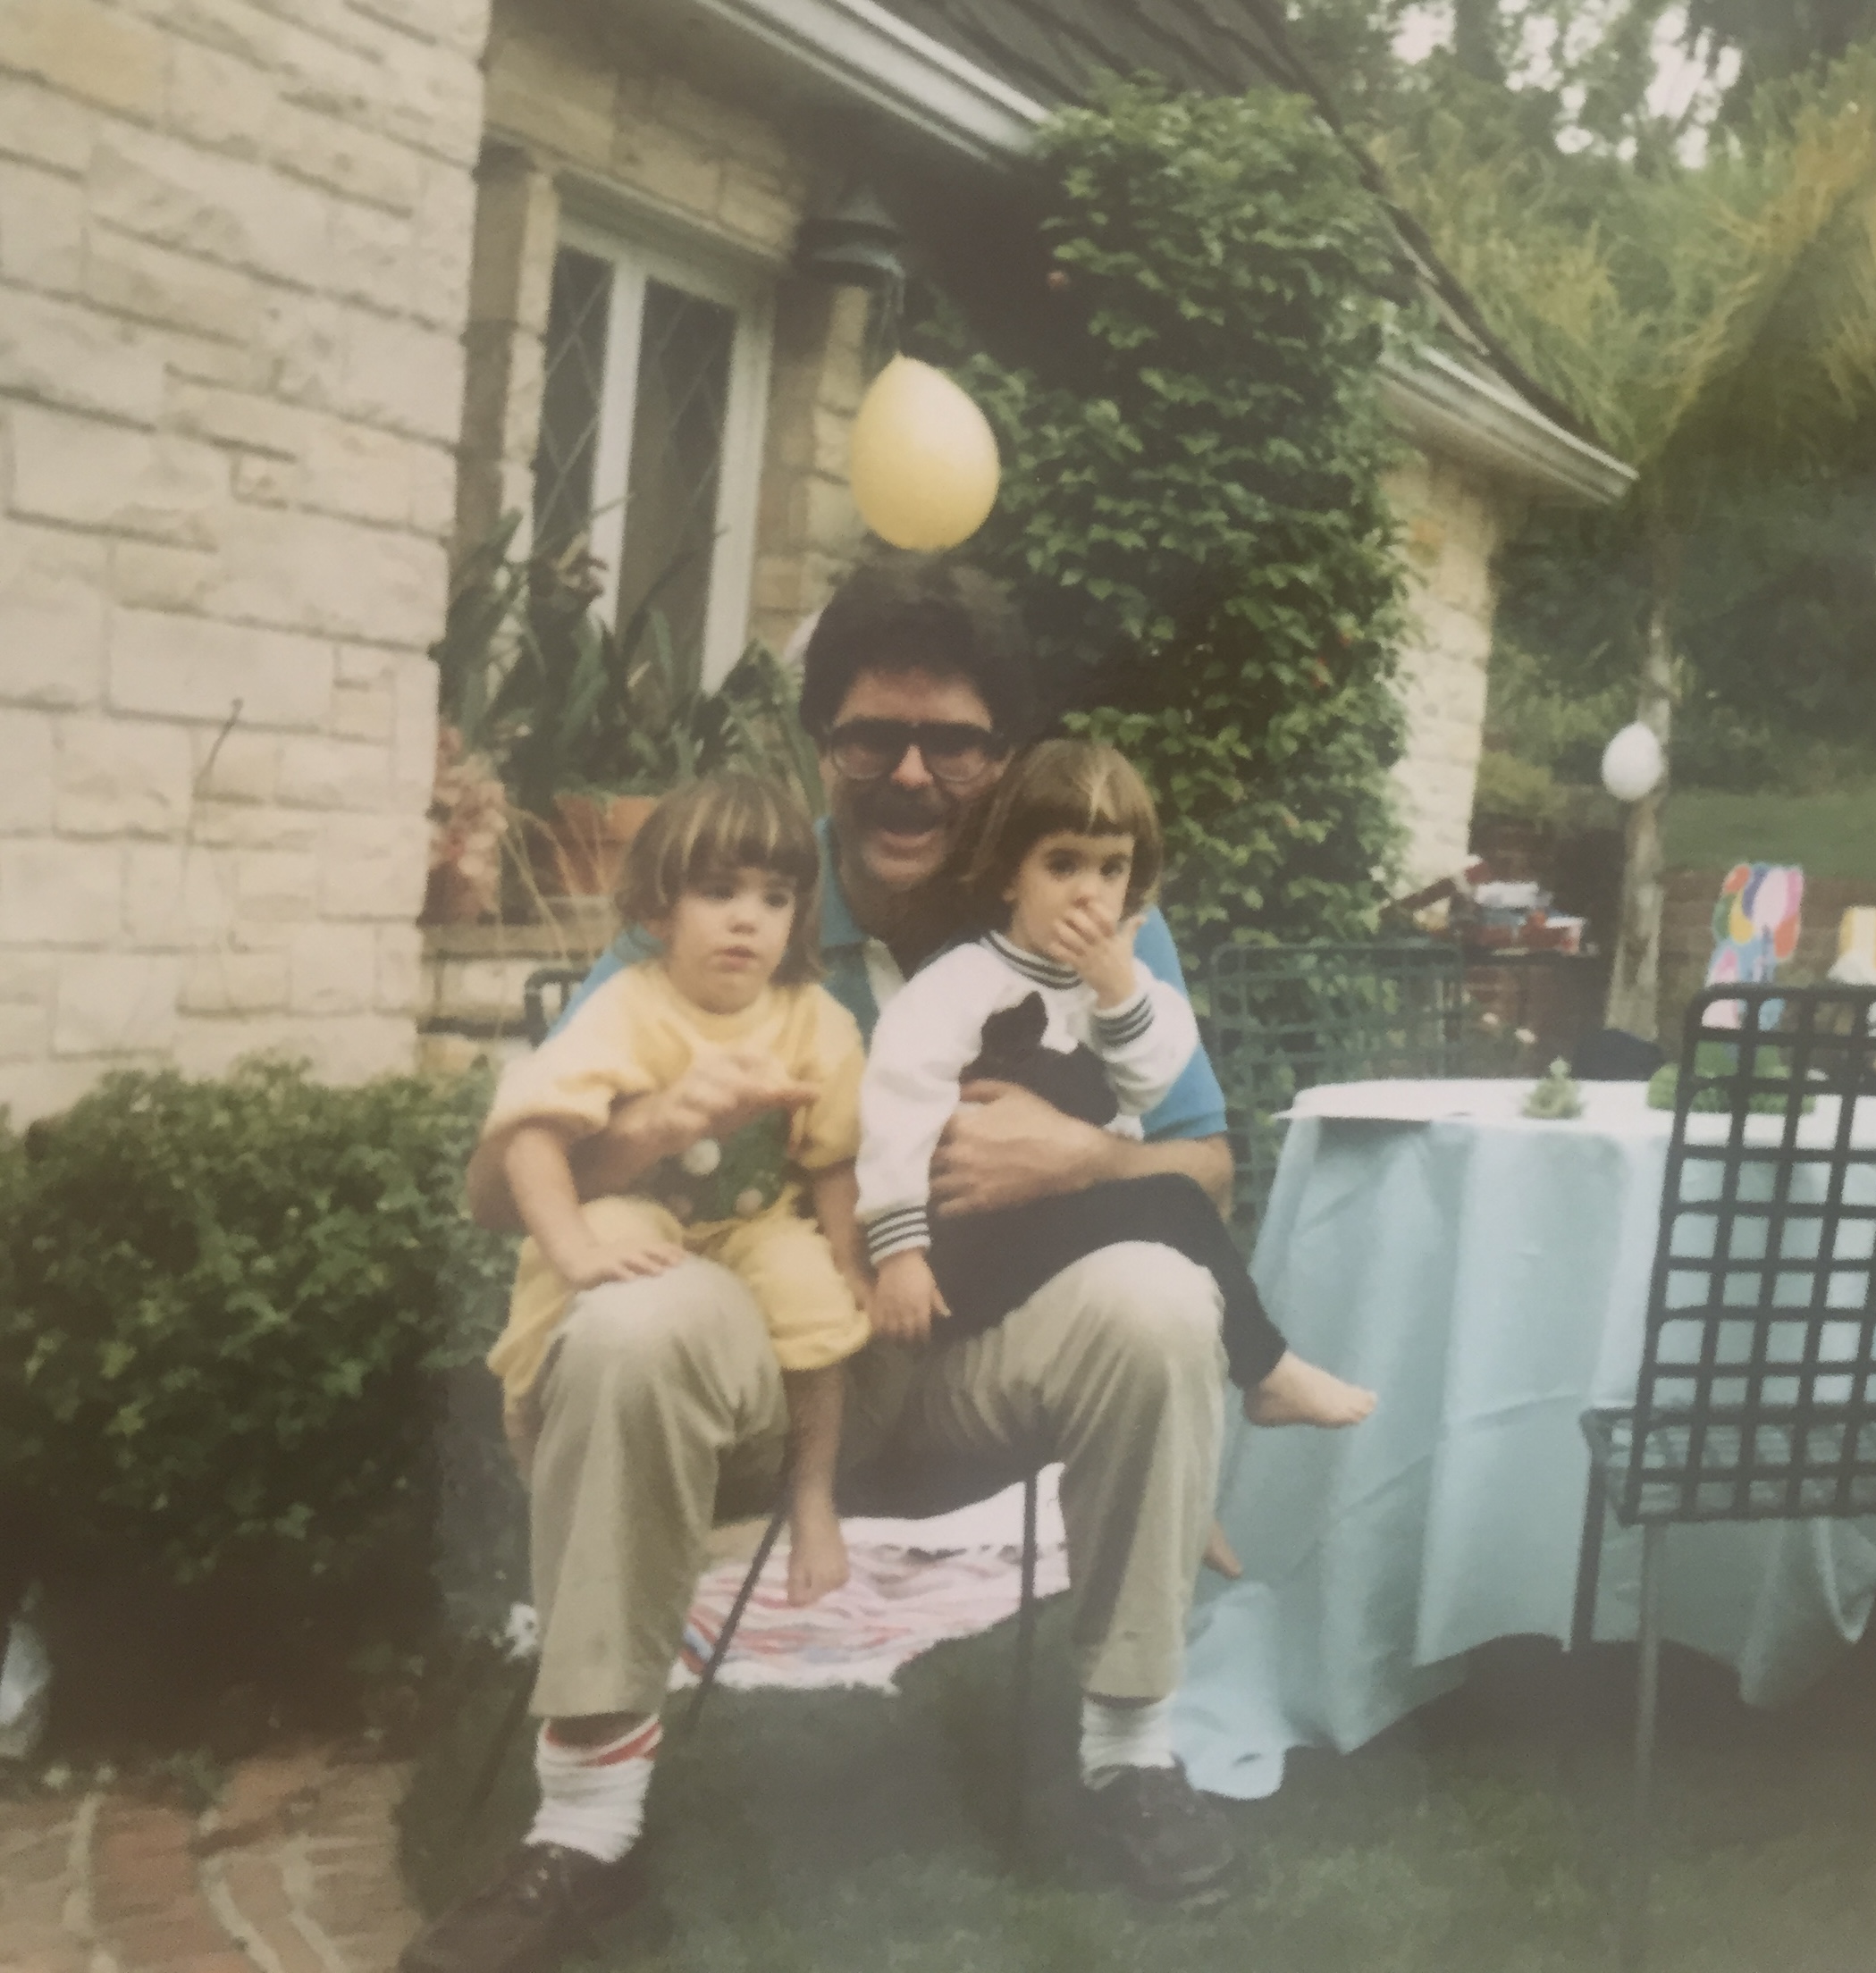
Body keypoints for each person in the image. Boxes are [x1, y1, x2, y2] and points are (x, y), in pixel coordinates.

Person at [415, 557, 1245, 1973]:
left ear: (1005, 758)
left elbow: (1209, 1165)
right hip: (777, 1372)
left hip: (984, 1363)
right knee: (626, 1324)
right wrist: (651, 1131)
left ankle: (1131, 1759)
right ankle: (587, 1829)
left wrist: (1077, 1159)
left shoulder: (1085, 900)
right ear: (822, 747)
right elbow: (502, 1189)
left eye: (953, 743)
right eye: (872, 738)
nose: (910, 775)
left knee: (1161, 1296)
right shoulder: (739, 890)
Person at [860, 736, 1376, 1435]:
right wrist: (900, 1253)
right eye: (1063, 864)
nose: (1089, 891)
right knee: (1169, 1200)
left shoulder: (1128, 990)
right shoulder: (960, 983)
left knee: (1172, 1201)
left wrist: (1117, 993)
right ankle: (1267, 1371)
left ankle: (1255, 1373)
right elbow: (896, 1105)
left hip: (1060, 1238)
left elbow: (1148, 1085)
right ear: (1010, 876)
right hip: (963, 1249)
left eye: (1111, 869)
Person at [484, 775, 869, 1613]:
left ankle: (812, 1495)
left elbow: (833, 1160)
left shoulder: (813, 1018)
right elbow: (530, 1136)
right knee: (592, 1258)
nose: (746, 919)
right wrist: (574, 1248)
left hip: (754, 1221)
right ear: (659, 910)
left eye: (773, 899)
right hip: (646, 1207)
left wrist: (850, 1265)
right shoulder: (628, 1005)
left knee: (814, 1298)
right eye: (718, 892)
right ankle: (532, 1422)